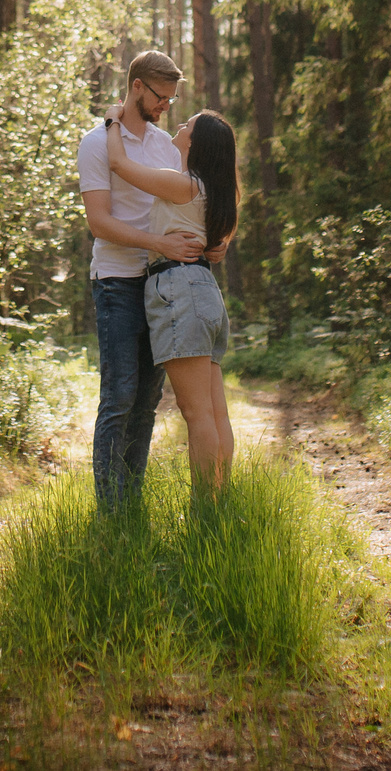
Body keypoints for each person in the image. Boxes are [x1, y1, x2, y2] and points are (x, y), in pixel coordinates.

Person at [77, 50, 206, 511]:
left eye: (172, 100)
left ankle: (131, 506)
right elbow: (99, 223)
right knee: (119, 397)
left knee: (148, 402)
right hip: (116, 282)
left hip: (160, 285)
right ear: (136, 87)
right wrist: (159, 243)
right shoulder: (96, 143)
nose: (165, 107)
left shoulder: (161, 146)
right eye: (160, 97)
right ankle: (110, 513)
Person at [104, 108, 238, 491]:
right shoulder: (213, 192)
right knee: (215, 414)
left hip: (180, 291)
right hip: (205, 293)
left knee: (196, 415)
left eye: (187, 126)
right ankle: (220, 503)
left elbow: (118, 163)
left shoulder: (185, 185)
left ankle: (204, 514)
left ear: (196, 143)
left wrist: (113, 121)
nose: (179, 127)